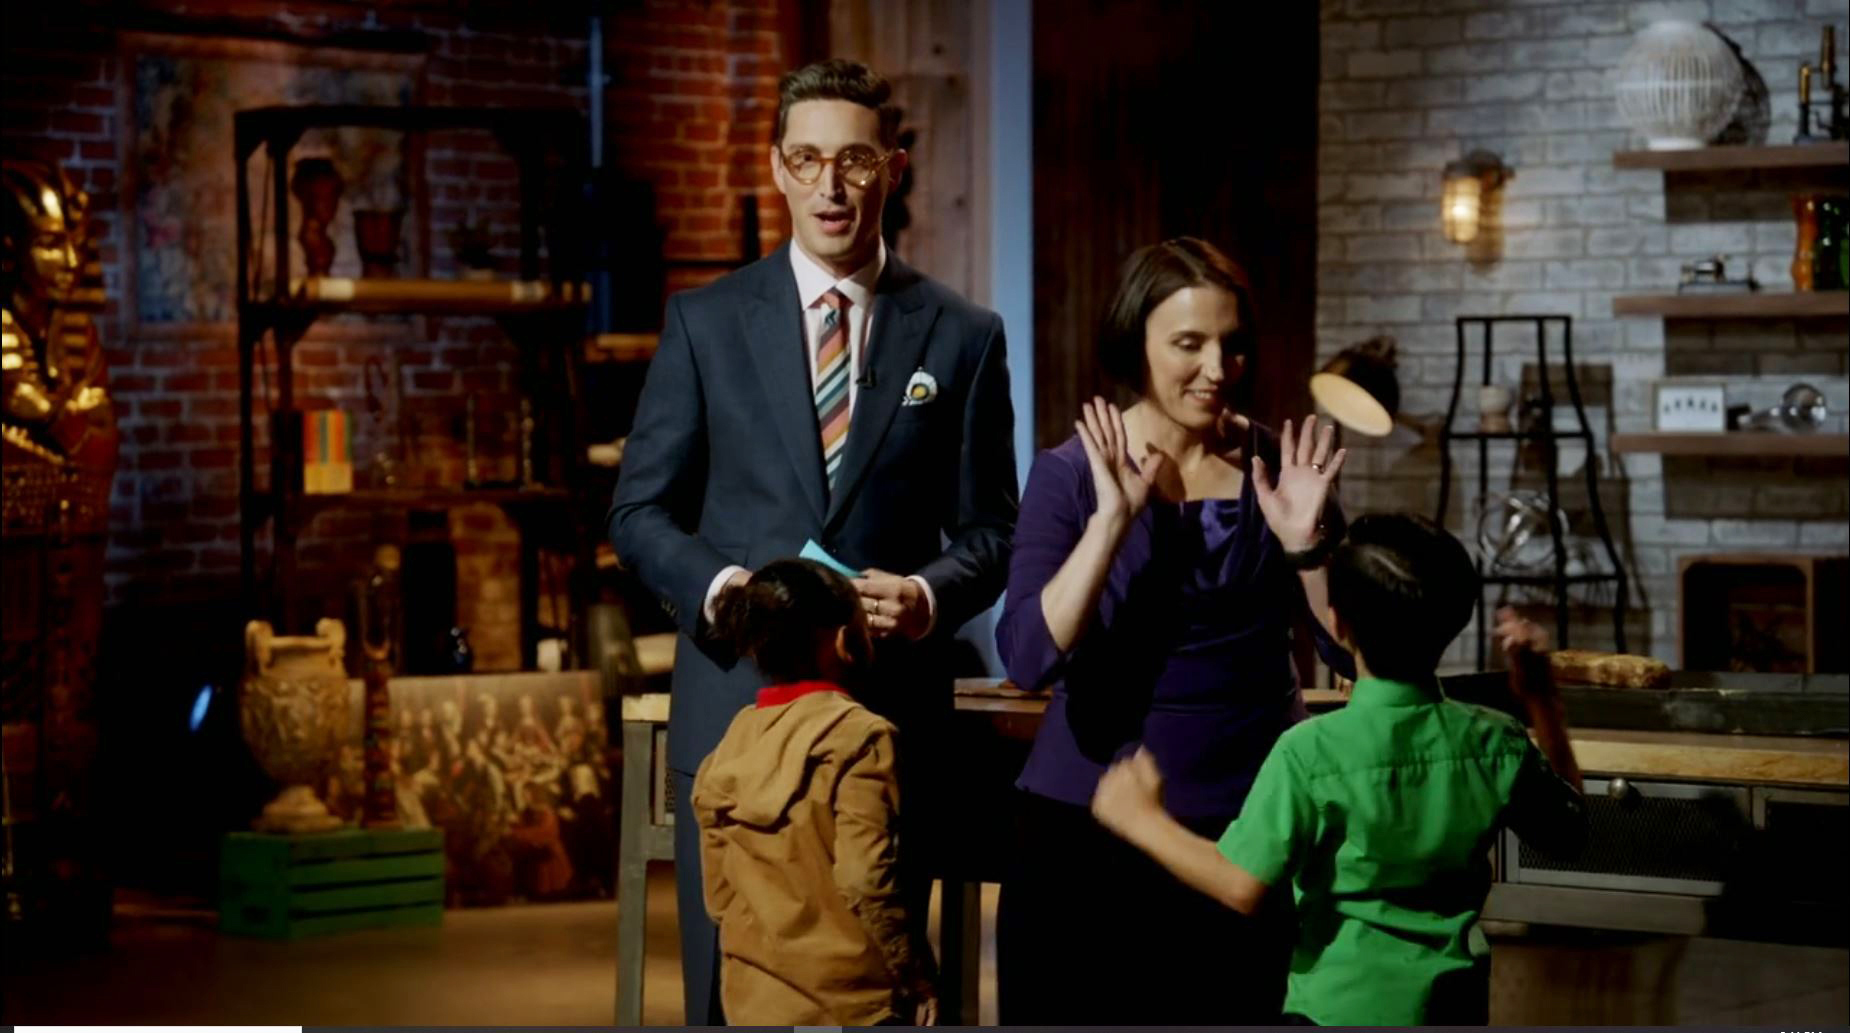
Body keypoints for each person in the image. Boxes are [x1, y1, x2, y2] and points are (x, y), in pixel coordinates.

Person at [608, 58, 1017, 1023]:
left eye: (855, 161)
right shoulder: (704, 323)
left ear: (895, 168)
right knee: (727, 1000)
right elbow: (637, 512)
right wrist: (722, 590)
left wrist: (924, 595)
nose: (831, 186)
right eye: (809, 160)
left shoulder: (964, 335)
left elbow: (993, 530)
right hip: (734, 718)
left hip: (886, 726)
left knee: (878, 986)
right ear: (779, 170)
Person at [993, 237, 1353, 1023]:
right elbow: (1026, 656)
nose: (1216, 367)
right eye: (1188, 344)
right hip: (1090, 824)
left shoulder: (1278, 463)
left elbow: (1349, 650)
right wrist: (1112, 519)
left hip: (1249, 830)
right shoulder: (1070, 471)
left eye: (1231, 343)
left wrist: (1308, 546)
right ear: (1138, 344)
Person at [1092, 516, 1588, 1026]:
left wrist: (1142, 820)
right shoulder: (1494, 739)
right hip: (1452, 1006)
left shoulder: (1310, 752)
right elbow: (1570, 833)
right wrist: (1543, 702)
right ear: (1456, 618)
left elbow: (1241, 885)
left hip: (1337, 1007)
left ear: (1337, 622)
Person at [693, 558, 937, 1026]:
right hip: (850, 1004)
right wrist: (915, 974)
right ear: (844, 639)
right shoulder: (861, 737)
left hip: (754, 1002)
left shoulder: (734, 740)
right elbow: (866, 879)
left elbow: (720, 897)